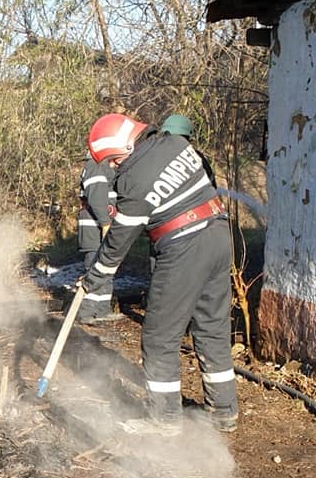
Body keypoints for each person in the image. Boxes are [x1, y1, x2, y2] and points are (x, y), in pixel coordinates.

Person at [78, 113, 239, 433]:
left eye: (113, 160)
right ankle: (223, 411)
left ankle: (163, 419)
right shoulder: (177, 143)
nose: (112, 167)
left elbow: (117, 244)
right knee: (211, 328)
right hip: (219, 236)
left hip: (184, 247)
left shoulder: (134, 179)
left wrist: (93, 277)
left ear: (126, 145)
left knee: (159, 336)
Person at [75, 157, 123, 324]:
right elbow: (96, 199)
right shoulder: (95, 167)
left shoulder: (107, 169)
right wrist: (105, 223)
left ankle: (102, 310)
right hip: (94, 228)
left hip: (103, 226)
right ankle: (86, 312)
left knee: (106, 267)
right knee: (93, 267)